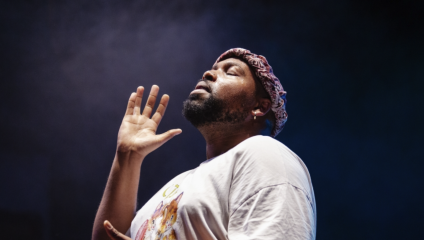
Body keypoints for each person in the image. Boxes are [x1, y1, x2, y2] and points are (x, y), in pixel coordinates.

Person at [92, 48, 316, 240]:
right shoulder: (181, 183)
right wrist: (127, 157)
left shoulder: (264, 155)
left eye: (230, 72)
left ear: (259, 106)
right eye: (212, 69)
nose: (208, 73)